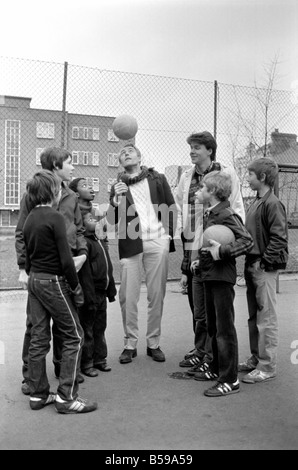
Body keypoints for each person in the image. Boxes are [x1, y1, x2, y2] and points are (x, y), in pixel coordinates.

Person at [23, 170, 97, 413]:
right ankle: (66, 397)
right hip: (53, 281)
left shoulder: (30, 218)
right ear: (52, 192)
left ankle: (38, 395)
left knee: (38, 337)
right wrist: (75, 287)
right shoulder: (54, 217)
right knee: (74, 335)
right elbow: (66, 260)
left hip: (35, 280)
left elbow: (31, 255)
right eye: (58, 189)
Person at [15, 147, 88, 395]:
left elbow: (78, 230)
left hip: (64, 268)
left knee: (62, 326)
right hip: (49, 272)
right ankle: (35, 380)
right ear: (56, 165)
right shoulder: (34, 196)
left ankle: (62, 372)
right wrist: (23, 268)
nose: (73, 167)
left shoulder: (70, 195)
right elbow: (21, 232)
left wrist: (83, 254)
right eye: (69, 162)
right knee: (39, 328)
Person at [175, 131, 245, 370]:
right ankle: (202, 350)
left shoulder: (226, 175)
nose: (192, 151)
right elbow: (179, 207)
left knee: (218, 312)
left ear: (209, 150)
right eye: (191, 147)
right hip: (193, 242)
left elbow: (235, 207)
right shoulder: (187, 176)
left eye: (197, 147)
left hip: (215, 243)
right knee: (198, 304)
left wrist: (226, 247)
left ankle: (214, 358)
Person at [107, 143, 177, 364]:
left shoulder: (157, 178)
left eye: (130, 151)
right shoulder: (118, 185)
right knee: (128, 296)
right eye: (122, 154)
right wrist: (116, 200)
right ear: (120, 162)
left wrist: (168, 237)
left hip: (157, 241)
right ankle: (130, 343)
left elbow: (170, 206)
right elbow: (111, 218)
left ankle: (153, 343)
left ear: (139, 156)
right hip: (131, 242)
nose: (126, 154)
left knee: (156, 294)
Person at [190, 171, 253, 396]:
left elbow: (247, 240)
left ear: (213, 191)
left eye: (201, 188)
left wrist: (222, 251)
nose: (197, 191)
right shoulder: (210, 213)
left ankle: (230, 380)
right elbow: (211, 243)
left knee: (224, 330)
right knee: (214, 326)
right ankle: (216, 368)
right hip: (209, 275)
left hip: (222, 278)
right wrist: (201, 260)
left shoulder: (226, 214)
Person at [239, 157, 288, 384]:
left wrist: (264, 261)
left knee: (266, 318)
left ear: (262, 177)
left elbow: (279, 238)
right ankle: (256, 358)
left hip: (263, 267)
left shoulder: (273, 203)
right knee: (254, 316)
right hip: (252, 264)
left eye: (250, 174)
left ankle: (267, 366)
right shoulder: (256, 202)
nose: (247, 177)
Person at [68, 177, 117, 376]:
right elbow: (84, 273)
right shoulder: (84, 241)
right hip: (89, 291)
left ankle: (100, 358)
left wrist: (111, 287)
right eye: (85, 186)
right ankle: (86, 363)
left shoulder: (98, 238)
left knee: (100, 326)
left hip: (101, 289)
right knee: (87, 328)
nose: (94, 221)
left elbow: (107, 267)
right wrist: (86, 293)